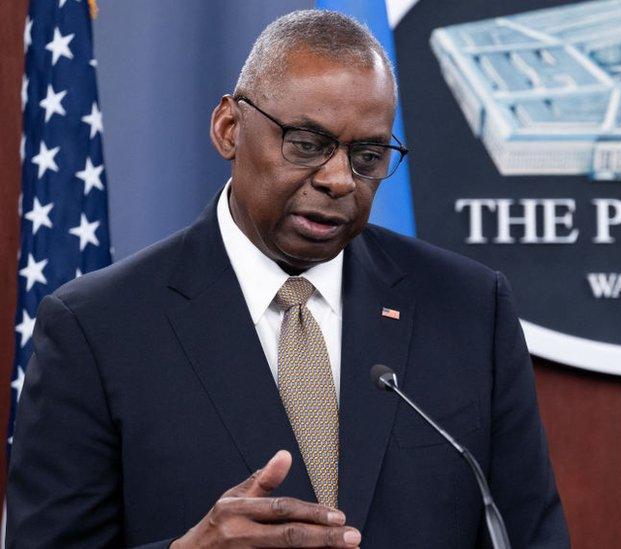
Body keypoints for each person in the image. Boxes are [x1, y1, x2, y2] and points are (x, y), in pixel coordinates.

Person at [5, 10, 569, 549]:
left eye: (368, 155)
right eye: (307, 144)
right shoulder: (98, 329)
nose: (338, 180)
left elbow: (526, 535)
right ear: (229, 128)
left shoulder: (469, 310)